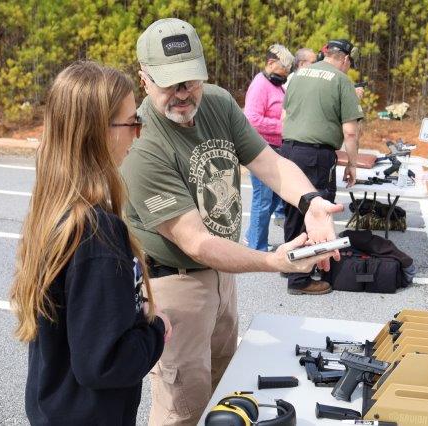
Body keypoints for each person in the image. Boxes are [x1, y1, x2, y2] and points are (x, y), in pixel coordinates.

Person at [121, 18, 343, 426]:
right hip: (175, 285)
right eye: (170, 83)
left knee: (226, 394)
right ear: (144, 78)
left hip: (223, 275)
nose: (183, 93)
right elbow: (196, 242)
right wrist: (273, 262)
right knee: (182, 410)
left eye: (191, 79)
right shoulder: (143, 146)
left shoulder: (218, 103)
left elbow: (269, 163)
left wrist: (310, 201)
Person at [10, 61, 172, 426]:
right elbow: (103, 363)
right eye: (132, 123)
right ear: (97, 131)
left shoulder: (56, 210)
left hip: (55, 408)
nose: (138, 134)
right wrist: (156, 330)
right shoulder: (97, 231)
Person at [281, 39, 364, 296]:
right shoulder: (341, 81)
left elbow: (285, 115)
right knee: (317, 215)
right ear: (345, 59)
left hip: (289, 150)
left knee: (295, 212)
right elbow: (350, 132)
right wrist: (351, 164)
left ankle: (290, 264)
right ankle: (300, 279)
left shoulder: (298, 75)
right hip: (317, 156)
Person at [243, 44, 294, 251]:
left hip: (276, 149)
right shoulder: (260, 85)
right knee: (263, 199)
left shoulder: (277, 86)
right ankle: (257, 247)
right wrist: (283, 127)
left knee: (274, 199)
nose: (285, 76)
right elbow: (252, 119)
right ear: (270, 63)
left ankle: (252, 235)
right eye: (283, 71)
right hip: (262, 149)